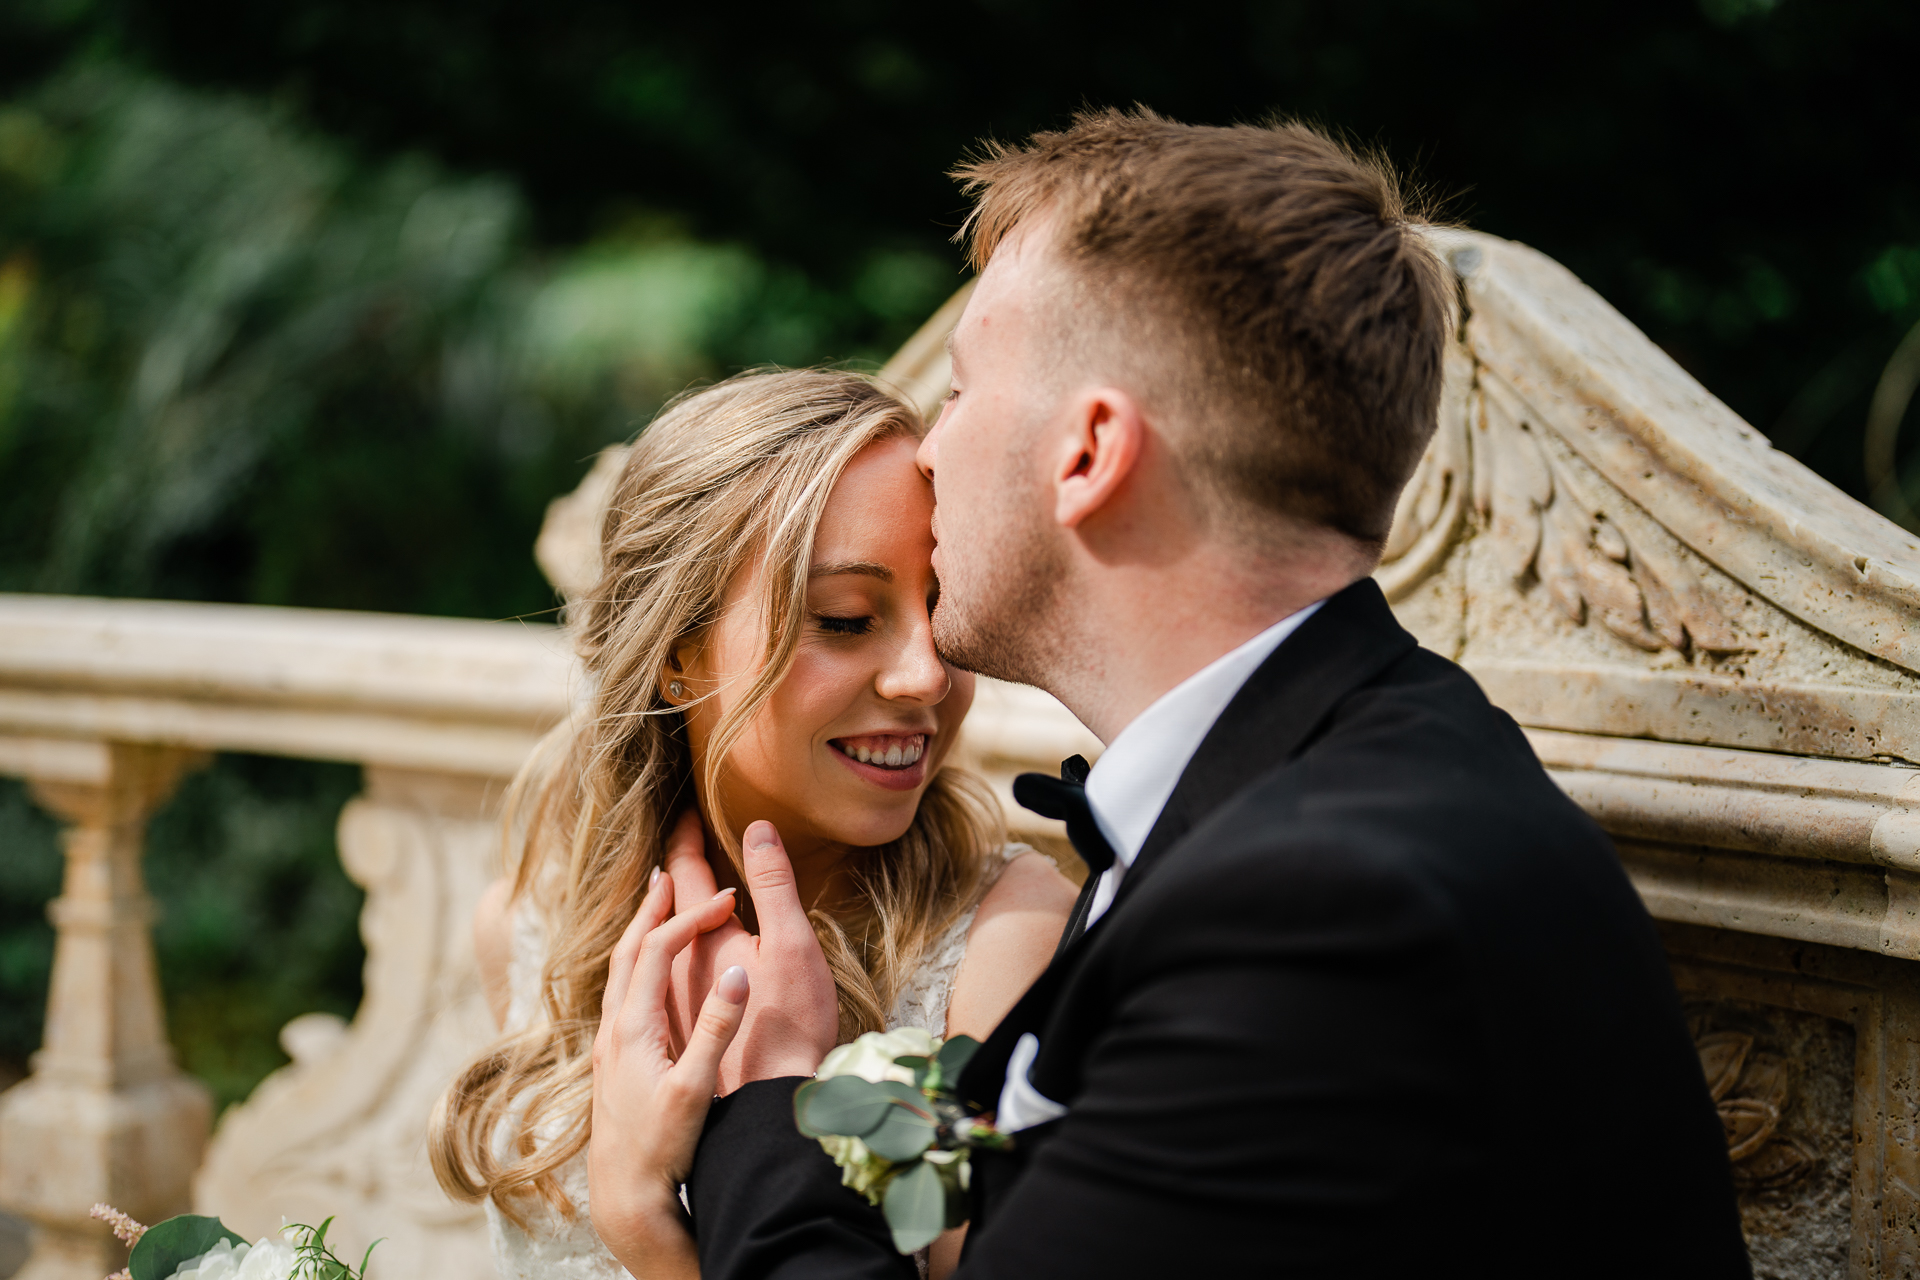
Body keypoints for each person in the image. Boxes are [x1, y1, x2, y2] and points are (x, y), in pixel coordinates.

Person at [587, 110, 1754, 1277]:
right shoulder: (1329, 778)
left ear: (1089, 451)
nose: (929, 454)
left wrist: (767, 1102)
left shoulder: (1322, 915)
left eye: (961, 388)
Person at [428, 369, 1078, 1279]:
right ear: (679, 655)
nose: (926, 676)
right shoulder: (533, 926)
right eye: (848, 619)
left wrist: (650, 1234)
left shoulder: (1009, 946)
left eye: (940, 604)